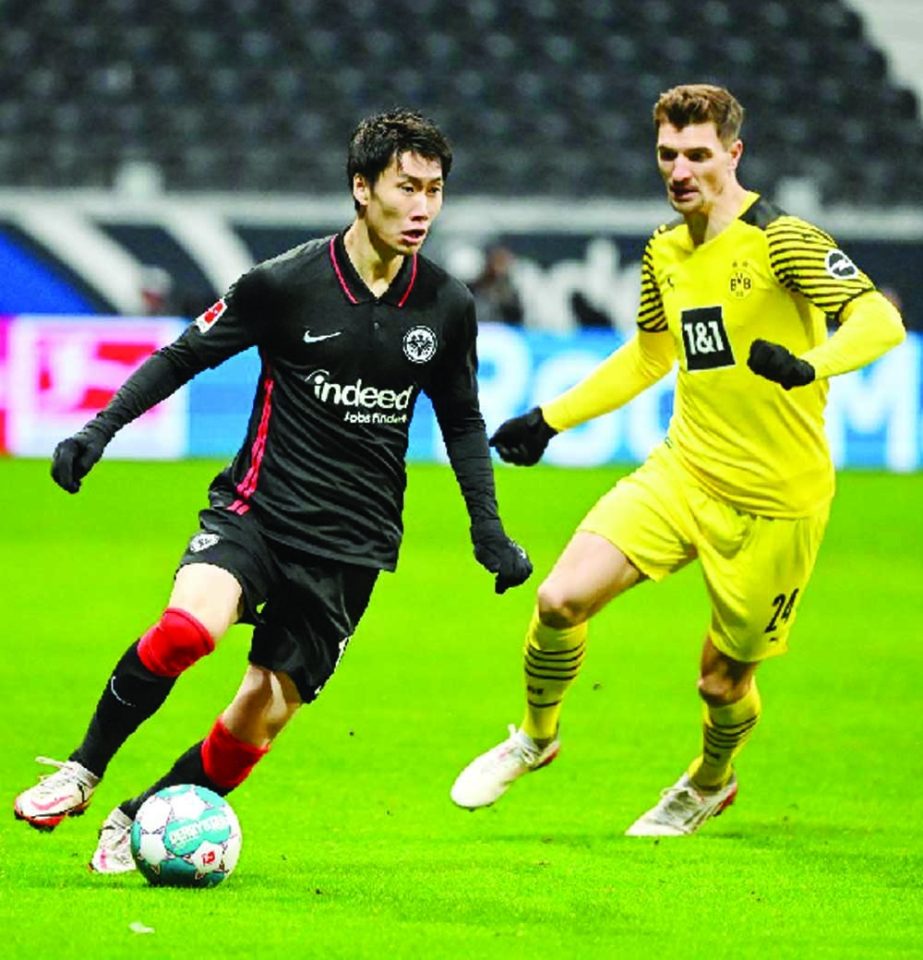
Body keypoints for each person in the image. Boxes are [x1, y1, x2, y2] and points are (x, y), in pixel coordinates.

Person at [13, 109, 533, 871]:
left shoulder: (446, 306)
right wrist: (99, 430)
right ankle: (82, 770)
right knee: (190, 629)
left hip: (352, 546)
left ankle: (139, 815)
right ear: (362, 188)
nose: (422, 207)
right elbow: (183, 355)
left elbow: (459, 419)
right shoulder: (285, 283)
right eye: (405, 187)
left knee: (257, 717)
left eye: (435, 190)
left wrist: (485, 528)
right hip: (255, 512)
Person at [450, 84, 906, 836]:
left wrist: (809, 365)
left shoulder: (780, 238)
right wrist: (549, 418)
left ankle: (709, 779)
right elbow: (649, 356)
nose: (680, 169)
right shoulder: (664, 248)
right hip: (682, 471)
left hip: (776, 504)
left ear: (733, 153)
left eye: (697, 154)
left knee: (720, 681)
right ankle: (535, 737)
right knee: (559, 600)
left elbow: (878, 318)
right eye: (667, 154)